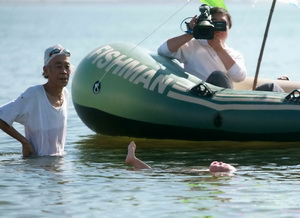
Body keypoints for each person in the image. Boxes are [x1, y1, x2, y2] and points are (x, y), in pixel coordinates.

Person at [157, 6, 283, 92]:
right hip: (204, 97)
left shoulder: (234, 54)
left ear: (229, 29)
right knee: (218, 76)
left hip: (228, 99)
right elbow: (163, 50)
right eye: (214, 23)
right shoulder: (193, 45)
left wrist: (218, 48)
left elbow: (239, 77)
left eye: (221, 24)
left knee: (272, 87)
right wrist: (191, 33)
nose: (217, 28)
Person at [0, 44, 72, 157]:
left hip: (58, 165)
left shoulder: (65, 94)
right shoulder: (34, 95)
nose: (64, 71)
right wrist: (24, 142)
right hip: (37, 168)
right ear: (46, 70)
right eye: (58, 66)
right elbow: (1, 117)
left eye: (67, 66)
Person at [125, 141, 237, 174]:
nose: (221, 162)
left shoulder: (208, 175)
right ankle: (133, 160)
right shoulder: (206, 172)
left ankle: (133, 159)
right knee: (153, 170)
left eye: (222, 166)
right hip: (173, 172)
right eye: (223, 163)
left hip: (171, 174)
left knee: (152, 171)